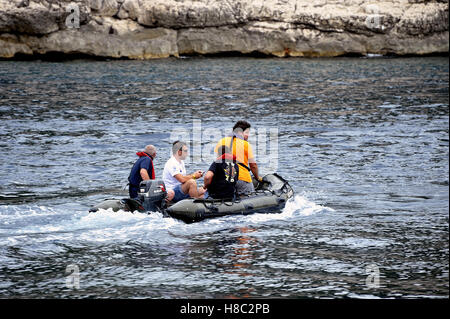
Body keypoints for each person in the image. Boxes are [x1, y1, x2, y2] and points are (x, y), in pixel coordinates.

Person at [214, 120, 262, 195]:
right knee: (251, 195)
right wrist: (257, 177)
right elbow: (253, 166)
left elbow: (218, 162)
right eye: (247, 133)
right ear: (240, 132)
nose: (248, 135)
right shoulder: (246, 144)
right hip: (242, 179)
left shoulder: (221, 141)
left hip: (224, 179)